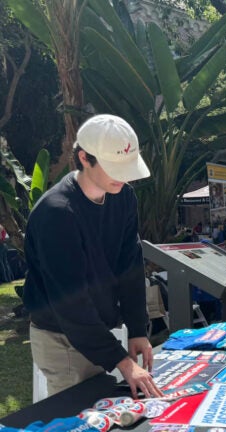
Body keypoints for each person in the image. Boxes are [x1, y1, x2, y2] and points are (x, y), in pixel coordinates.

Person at [22, 114, 162, 398]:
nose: (123, 177)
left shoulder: (123, 197)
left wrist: (137, 329)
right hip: (61, 336)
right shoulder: (57, 213)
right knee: (79, 420)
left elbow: (130, 266)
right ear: (85, 158)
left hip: (99, 329)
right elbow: (70, 302)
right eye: (115, 168)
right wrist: (122, 362)